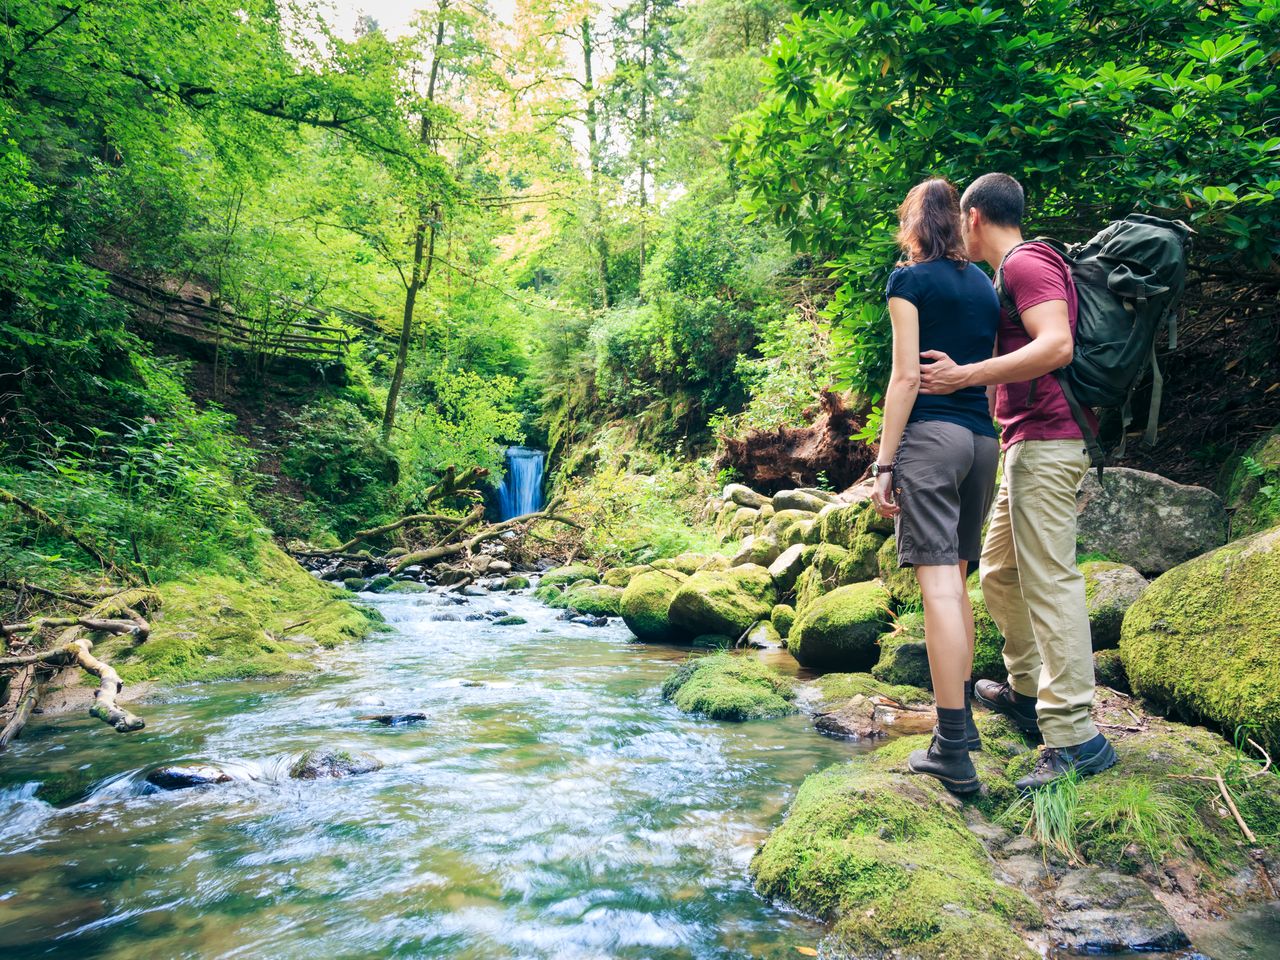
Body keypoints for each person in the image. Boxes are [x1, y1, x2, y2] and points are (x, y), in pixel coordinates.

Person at [918, 173, 1117, 790]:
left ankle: (1075, 736)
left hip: (1051, 442)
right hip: (1025, 444)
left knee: (1050, 578)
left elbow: (1055, 345)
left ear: (974, 217)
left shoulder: (1026, 264)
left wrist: (966, 375)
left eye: (961, 222)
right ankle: (1029, 691)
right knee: (1001, 573)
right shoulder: (1014, 271)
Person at [870, 178, 1000, 795]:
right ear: (962, 222)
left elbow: (905, 378)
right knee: (959, 585)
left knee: (940, 587)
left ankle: (950, 747)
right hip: (982, 445)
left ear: (915, 225)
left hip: (932, 440)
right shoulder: (983, 284)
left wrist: (884, 463)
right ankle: (964, 723)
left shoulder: (909, 281)